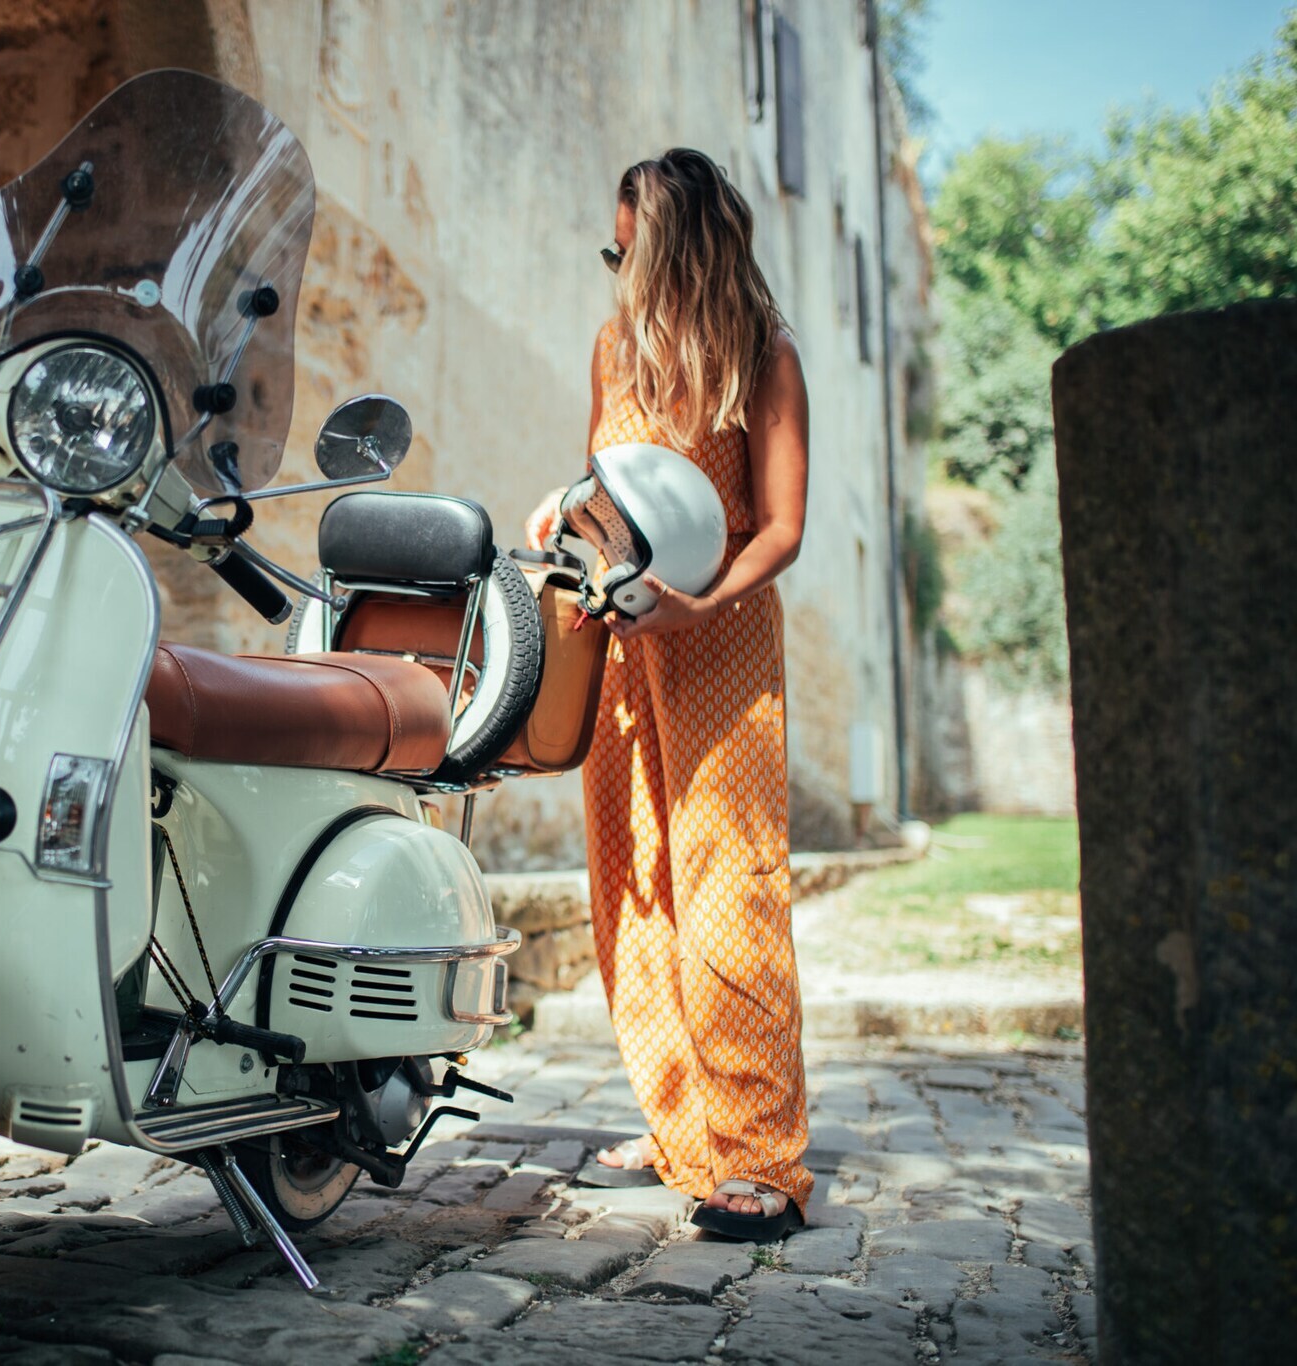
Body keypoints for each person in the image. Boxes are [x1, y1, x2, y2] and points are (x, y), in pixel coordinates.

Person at [524, 148, 812, 1241]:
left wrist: (695, 610)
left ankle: (759, 1157)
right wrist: (562, 514)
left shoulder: (760, 355)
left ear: (670, 243)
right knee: (632, 883)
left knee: (727, 885)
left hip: (721, 638)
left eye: (622, 245)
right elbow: (607, 488)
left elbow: (780, 527)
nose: (614, 266)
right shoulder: (614, 351)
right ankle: (678, 1120)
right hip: (619, 644)